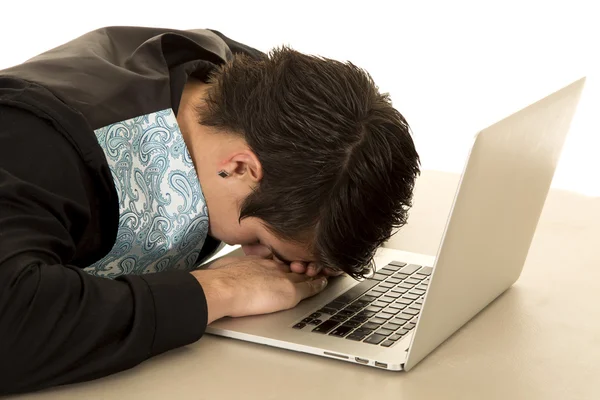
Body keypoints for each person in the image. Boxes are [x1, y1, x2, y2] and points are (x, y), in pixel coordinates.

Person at [0, 26, 420, 394]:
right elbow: (10, 327)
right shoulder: (34, 147)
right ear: (239, 167)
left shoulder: (246, 87)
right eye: (263, 244)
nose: (270, 266)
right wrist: (220, 289)